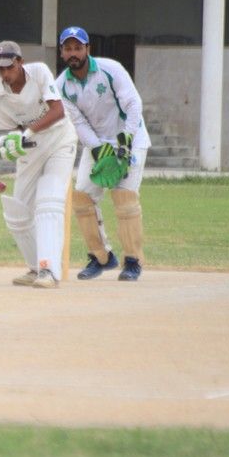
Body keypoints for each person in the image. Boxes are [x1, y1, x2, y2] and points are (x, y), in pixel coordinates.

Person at [55, 26, 151, 281]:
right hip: (97, 143)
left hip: (130, 138)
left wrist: (126, 140)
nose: (73, 53)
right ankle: (101, 257)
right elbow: (78, 122)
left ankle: (133, 261)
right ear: (62, 52)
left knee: (125, 198)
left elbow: (133, 104)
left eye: (78, 48)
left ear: (87, 49)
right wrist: (99, 150)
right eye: (68, 49)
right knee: (82, 197)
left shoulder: (111, 69)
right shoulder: (61, 85)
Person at [0, 40, 78, 288]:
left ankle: (49, 270)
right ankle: (35, 267)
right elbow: (12, 130)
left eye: (9, 67)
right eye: (0, 69)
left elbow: (58, 111)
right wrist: (9, 145)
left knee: (49, 202)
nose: (5, 74)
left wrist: (26, 133)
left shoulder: (38, 72)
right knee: (17, 212)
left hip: (60, 140)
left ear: (20, 62)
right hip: (32, 148)